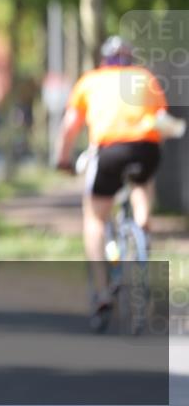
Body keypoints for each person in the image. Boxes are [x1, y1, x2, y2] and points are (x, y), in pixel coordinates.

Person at [54, 36, 175, 326]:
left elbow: (70, 126)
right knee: (142, 183)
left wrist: (63, 159)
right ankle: (142, 230)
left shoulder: (91, 81)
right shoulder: (145, 78)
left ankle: (102, 291)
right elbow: (164, 121)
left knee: (95, 217)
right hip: (145, 148)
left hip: (109, 150)